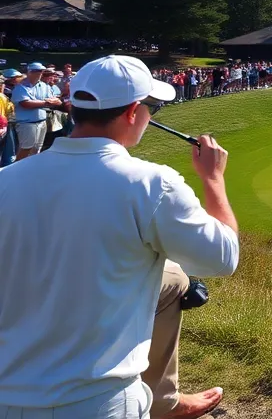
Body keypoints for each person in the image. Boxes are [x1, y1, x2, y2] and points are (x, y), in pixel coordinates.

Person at [0, 54, 240, 419]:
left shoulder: (7, 179)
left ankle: (164, 399)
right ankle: (163, 401)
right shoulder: (152, 184)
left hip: (8, 395)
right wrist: (213, 180)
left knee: (172, 280)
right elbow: (223, 257)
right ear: (132, 112)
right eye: (153, 108)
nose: (151, 115)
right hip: (99, 401)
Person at [11, 62, 60, 161]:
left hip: (42, 122)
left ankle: (30, 170)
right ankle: (17, 170)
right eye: (36, 71)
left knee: (37, 149)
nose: (40, 73)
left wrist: (51, 101)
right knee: (25, 149)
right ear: (29, 72)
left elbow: (57, 101)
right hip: (27, 123)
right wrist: (46, 103)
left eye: (41, 71)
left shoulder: (44, 86)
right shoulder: (20, 87)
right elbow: (25, 104)